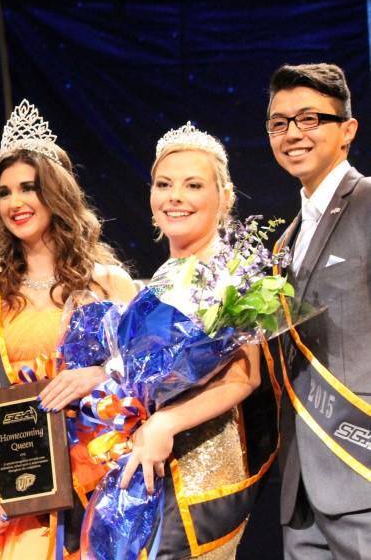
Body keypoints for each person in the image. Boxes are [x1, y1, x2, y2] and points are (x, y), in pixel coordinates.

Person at [0, 100, 138, 558]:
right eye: (4, 192)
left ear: (57, 192)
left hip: (93, 480)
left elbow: (142, 382)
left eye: (28, 187)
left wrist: (97, 376)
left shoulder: (108, 283)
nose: (15, 202)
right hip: (5, 488)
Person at [108, 122, 272, 559]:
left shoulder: (232, 273)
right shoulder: (157, 279)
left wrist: (165, 423)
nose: (174, 196)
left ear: (224, 198)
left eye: (193, 185)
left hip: (203, 470)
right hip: (148, 465)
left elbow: (244, 376)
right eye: (164, 184)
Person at [266, 63, 371, 558]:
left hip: (362, 463)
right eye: (279, 123)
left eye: (309, 119)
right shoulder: (284, 241)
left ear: (347, 129)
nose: (293, 134)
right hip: (303, 484)